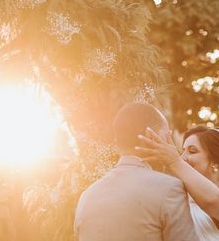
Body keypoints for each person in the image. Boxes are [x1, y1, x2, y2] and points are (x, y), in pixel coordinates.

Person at [74, 102, 199, 241]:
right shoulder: (169, 189)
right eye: (165, 137)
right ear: (149, 137)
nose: (170, 145)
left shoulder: (86, 196)